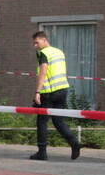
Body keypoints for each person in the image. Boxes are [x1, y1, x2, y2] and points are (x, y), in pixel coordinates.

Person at [31, 31, 81, 161]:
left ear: (44, 40)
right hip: (62, 90)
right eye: (34, 43)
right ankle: (74, 142)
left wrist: (37, 92)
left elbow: (43, 72)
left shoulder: (44, 53)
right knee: (58, 121)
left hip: (49, 92)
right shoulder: (59, 52)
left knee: (42, 121)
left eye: (37, 42)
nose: (35, 45)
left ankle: (42, 152)